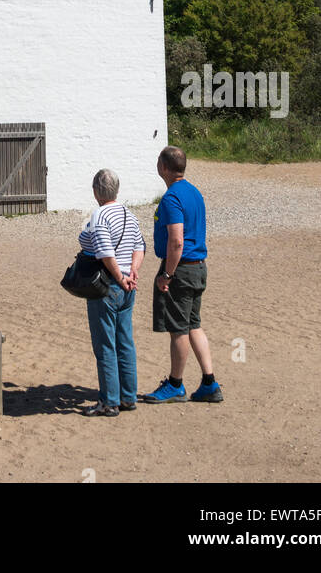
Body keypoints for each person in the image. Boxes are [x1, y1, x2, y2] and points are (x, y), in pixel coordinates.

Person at [144, 145, 223, 404]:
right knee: (193, 325)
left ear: (164, 167)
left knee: (178, 329)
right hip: (198, 266)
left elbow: (176, 241)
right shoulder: (194, 192)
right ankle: (209, 382)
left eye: (158, 161)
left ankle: (175, 384)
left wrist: (167, 274)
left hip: (181, 268)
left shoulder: (172, 198)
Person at [78, 169, 146, 417]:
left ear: (96, 191)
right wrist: (132, 273)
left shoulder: (100, 215)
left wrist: (119, 277)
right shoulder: (130, 215)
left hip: (109, 285)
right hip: (129, 284)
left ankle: (109, 401)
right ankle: (128, 396)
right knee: (125, 341)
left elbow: (104, 250)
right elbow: (140, 245)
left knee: (105, 344)